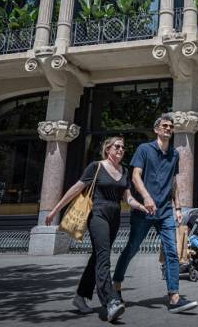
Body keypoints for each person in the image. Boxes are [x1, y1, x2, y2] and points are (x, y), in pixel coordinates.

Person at [46, 136, 148, 322]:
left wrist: (141, 206)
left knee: (97, 258)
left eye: (123, 148)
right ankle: (111, 302)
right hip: (97, 214)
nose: (121, 150)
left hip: (115, 216)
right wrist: (55, 210)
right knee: (103, 256)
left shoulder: (124, 171)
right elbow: (76, 188)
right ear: (107, 149)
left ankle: (80, 297)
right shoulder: (96, 167)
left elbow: (128, 197)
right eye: (117, 146)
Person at [112, 114, 198, 313]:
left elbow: (173, 183)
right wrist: (146, 197)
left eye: (171, 126)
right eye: (165, 126)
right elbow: (135, 176)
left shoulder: (175, 154)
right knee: (131, 249)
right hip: (144, 211)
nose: (168, 129)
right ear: (157, 130)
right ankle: (116, 286)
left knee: (172, 252)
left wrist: (177, 208)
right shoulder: (144, 149)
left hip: (166, 212)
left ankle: (175, 298)